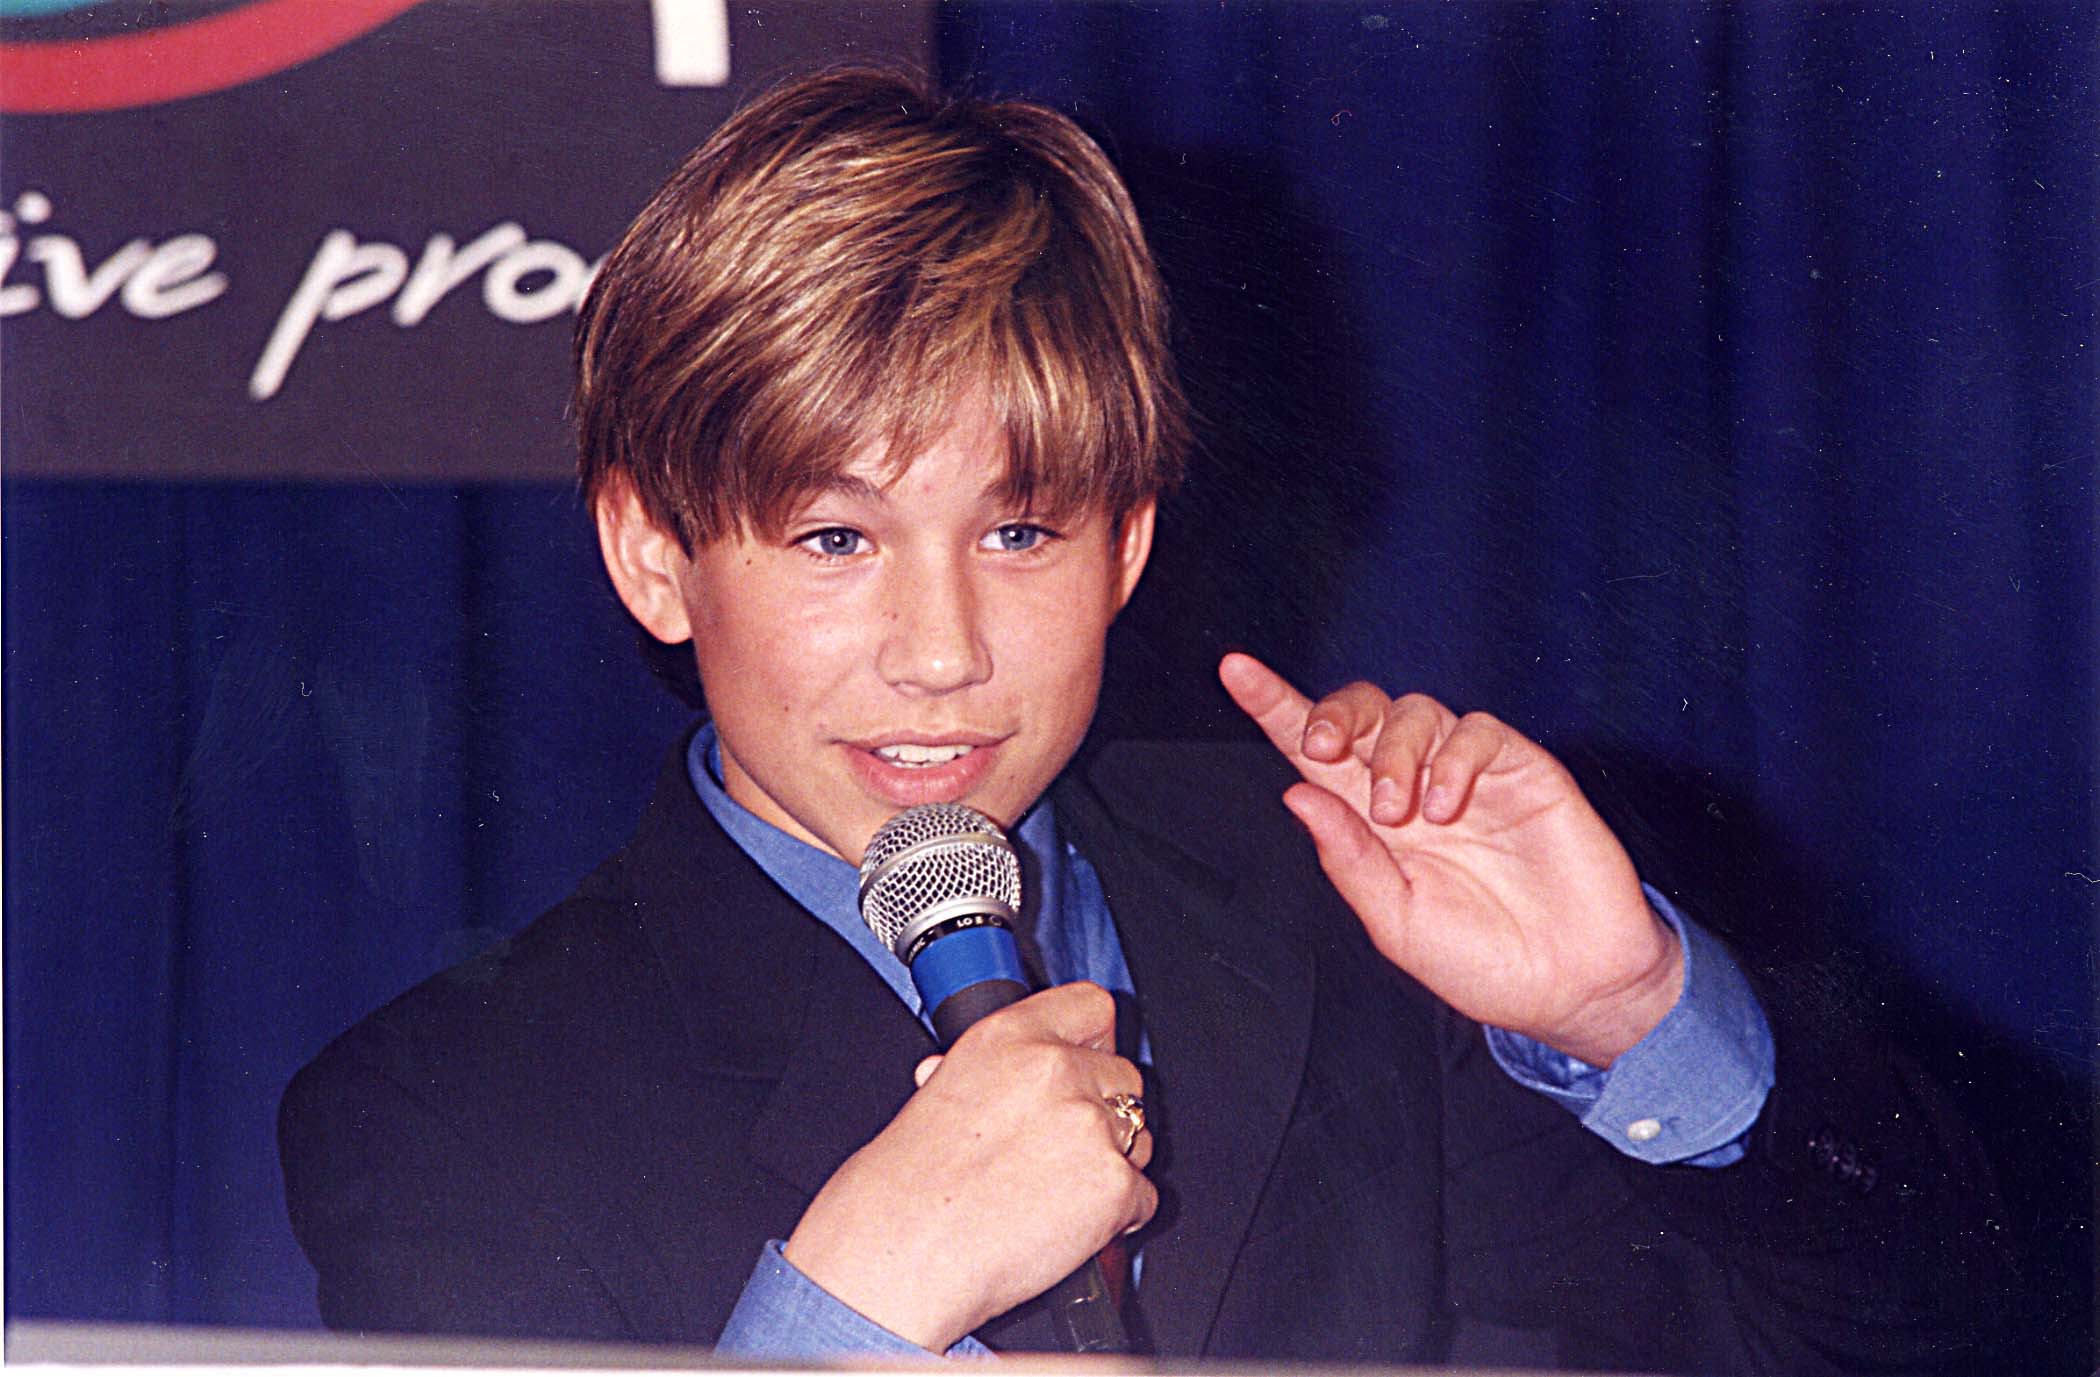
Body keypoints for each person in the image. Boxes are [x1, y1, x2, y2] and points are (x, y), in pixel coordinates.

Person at [280, 67, 2010, 1370]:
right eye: (835, 539)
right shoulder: (445, 1112)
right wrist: (846, 1316)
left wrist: (1635, 1014)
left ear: (1128, 547)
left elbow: (1927, 1333)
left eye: (1021, 532)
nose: (943, 652)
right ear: (655, 557)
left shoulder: (1358, 914)